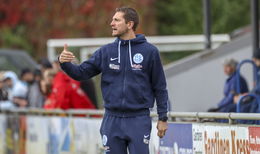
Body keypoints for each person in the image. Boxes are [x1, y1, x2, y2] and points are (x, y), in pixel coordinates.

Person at [59, 7, 169, 154]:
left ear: (130, 24)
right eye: (112, 20)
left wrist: (163, 118)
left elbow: (160, 87)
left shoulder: (150, 52)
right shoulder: (106, 51)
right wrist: (64, 62)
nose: (111, 23)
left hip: (138, 119)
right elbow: (81, 73)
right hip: (111, 120)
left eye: (116, 20)